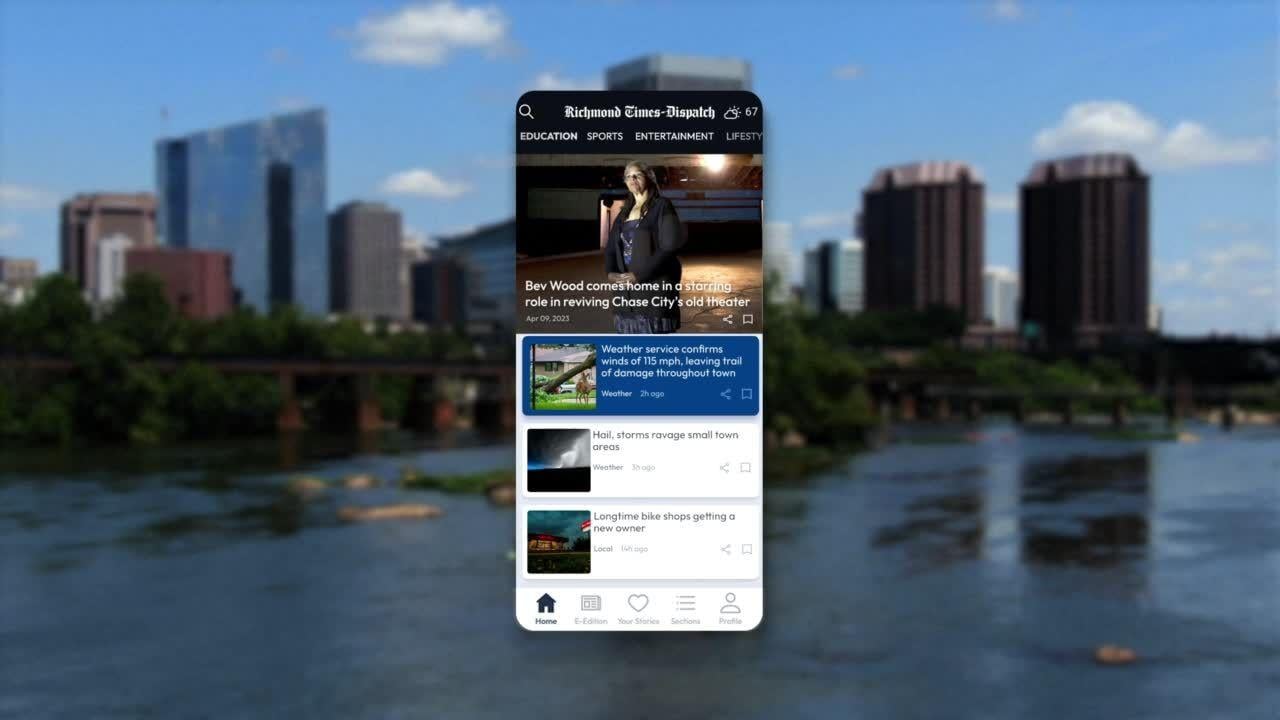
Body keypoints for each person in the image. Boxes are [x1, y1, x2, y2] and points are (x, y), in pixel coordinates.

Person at [605, 161, 685, 333]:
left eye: (637, 175)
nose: (632, 179)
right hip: (625, 296)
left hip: (654, 292)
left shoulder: (662, 206)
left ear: (648, 178)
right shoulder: (622, 214)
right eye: (628, 176)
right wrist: (610, 272)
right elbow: (611, 248)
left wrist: (639, 276)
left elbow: (669, 247)